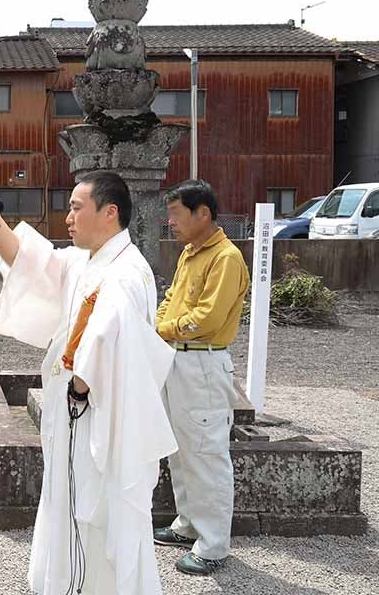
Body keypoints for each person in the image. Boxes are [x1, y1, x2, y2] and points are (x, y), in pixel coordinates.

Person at [0, 171, 177, 595]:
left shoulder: (125, 272)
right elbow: (32, 262)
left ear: (110, 212)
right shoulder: (89, 259)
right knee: (67, 499)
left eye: (77, 208)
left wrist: (79, 387)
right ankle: (65, 583)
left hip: (99, 420)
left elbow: (108, 340)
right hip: (77, 414)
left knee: (95, 510)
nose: (68, 218)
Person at [153, 180, 249, 576]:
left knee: (206, 455)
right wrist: (162, 326)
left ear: (203, 213)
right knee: (180, 450)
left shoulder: (226, 257)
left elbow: (207, 318)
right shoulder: (191, 253)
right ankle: (189, 524)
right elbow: (169, 300)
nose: (171, 222)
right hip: (179, 359)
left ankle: (213, 545)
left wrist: (162, 329)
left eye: (176, 214)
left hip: (203, 363)